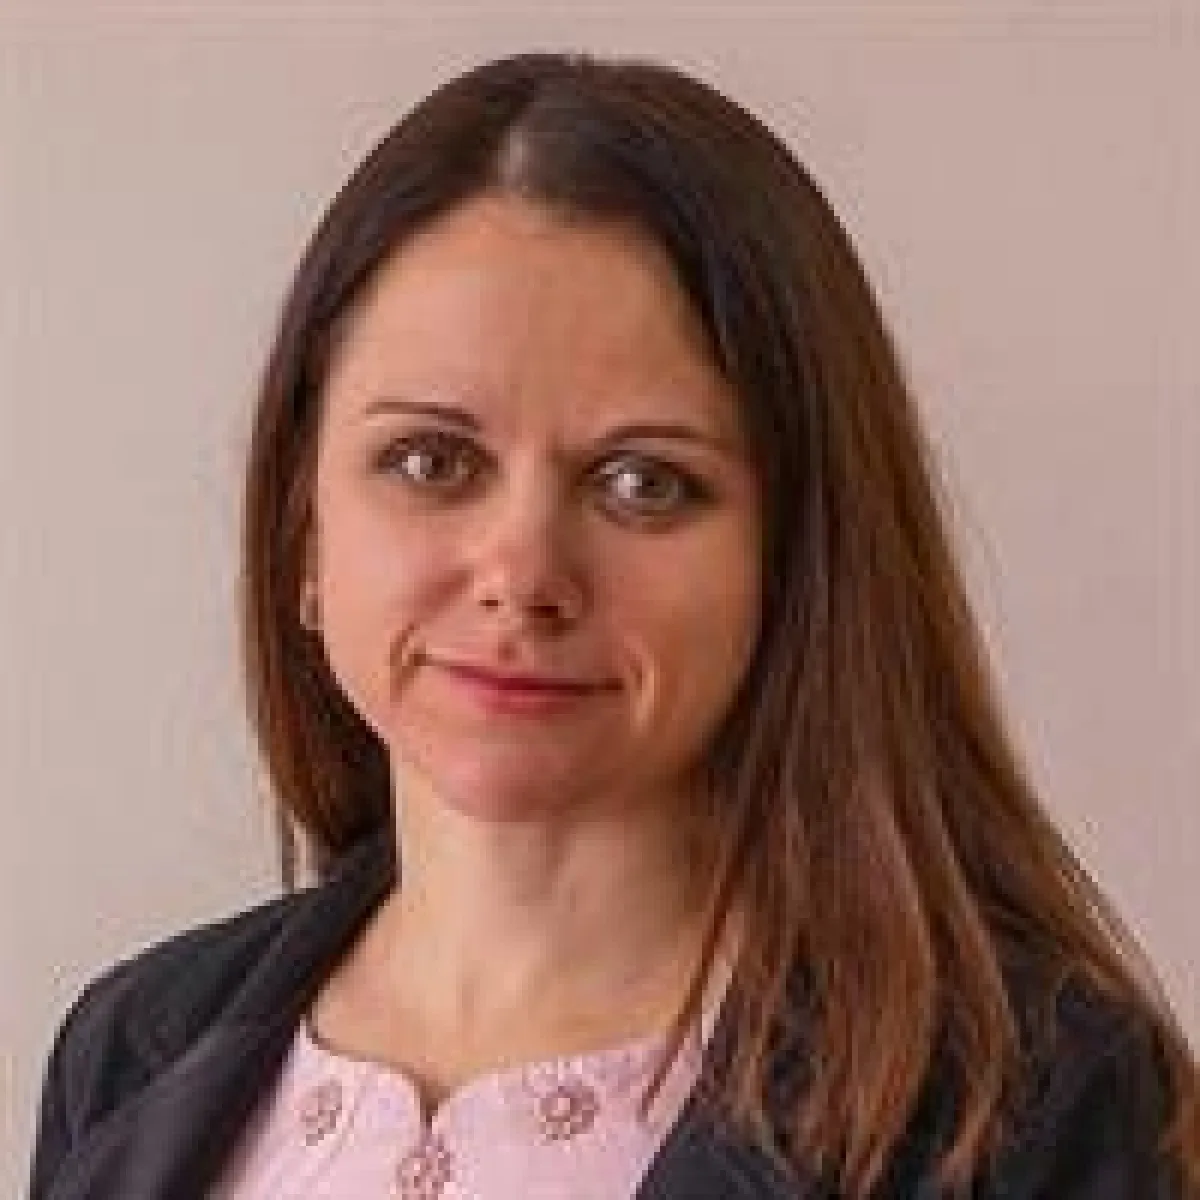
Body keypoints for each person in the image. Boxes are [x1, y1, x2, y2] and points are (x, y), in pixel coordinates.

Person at [29, 50, 1198, 1200]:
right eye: (430, 461)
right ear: (303, 532)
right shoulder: (129, 1054)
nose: (522, 576)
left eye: (644, 483)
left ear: (797, 560)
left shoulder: (1031, 1113)